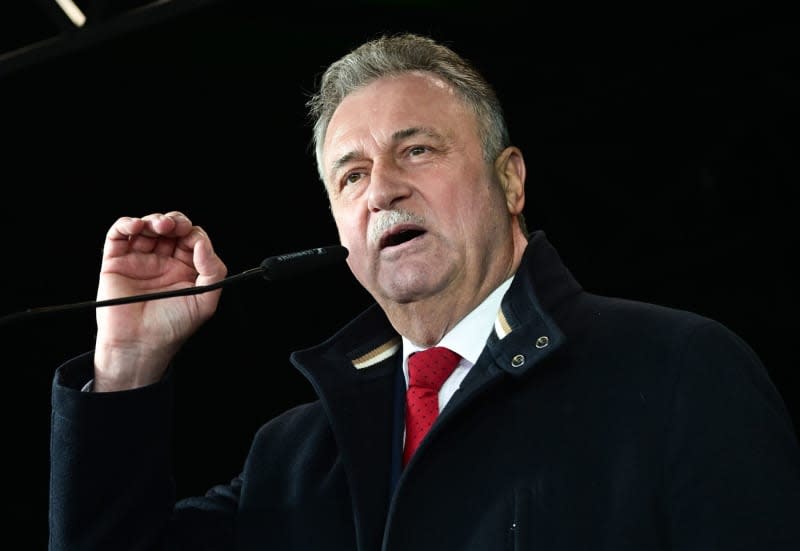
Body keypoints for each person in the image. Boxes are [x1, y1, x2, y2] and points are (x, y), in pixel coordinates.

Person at [49, 32, 800, 550]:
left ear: (511, 179)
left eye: (416, 149)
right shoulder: (293, 458)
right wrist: (127, 366)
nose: (383, 190)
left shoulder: (675, 370)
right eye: (351, 174)